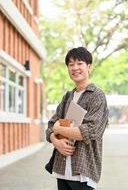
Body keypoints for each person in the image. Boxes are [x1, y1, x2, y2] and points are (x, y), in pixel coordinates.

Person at [46, 47, 109, 190]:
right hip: (62, 169)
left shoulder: (96, 96)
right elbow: (50, 126)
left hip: (83, 171)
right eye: (71, 64)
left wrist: (58, 128)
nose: (75, 68)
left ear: (89, 67)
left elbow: (90, 131)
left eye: (79, 63)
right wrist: (56, 141)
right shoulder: (68, 97)